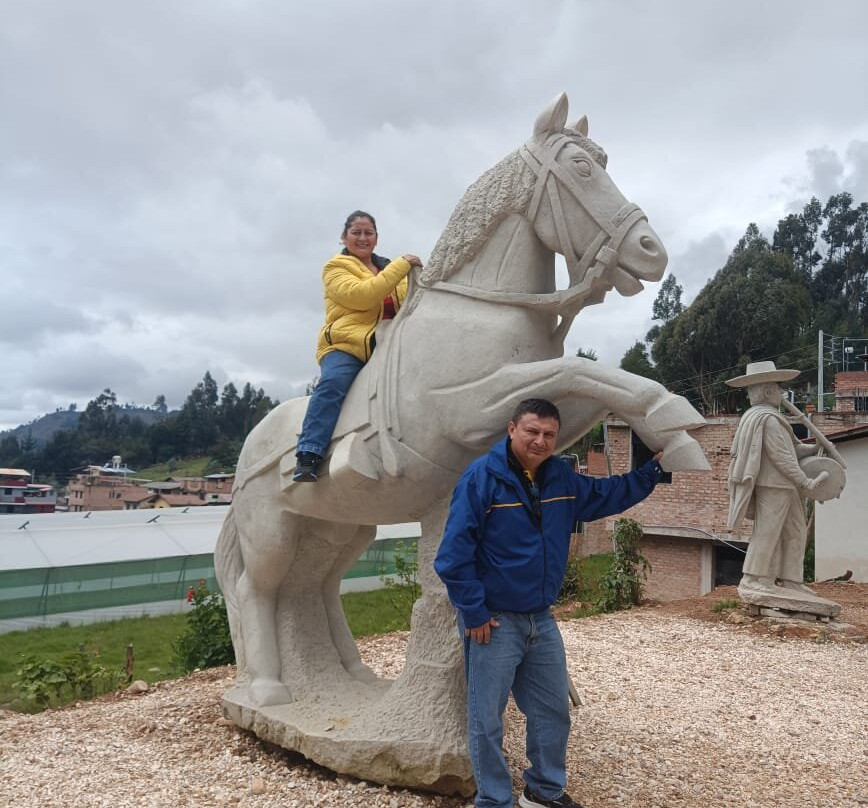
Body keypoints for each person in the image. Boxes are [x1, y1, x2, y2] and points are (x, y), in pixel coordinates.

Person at [434, 398, 665, 808]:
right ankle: (494, 800)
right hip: (493, 621)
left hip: (540, 619)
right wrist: (473, 610)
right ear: (511, 429)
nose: (540, 441)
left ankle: (543, 790)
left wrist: (653, 472)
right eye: (532, 431)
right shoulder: (481, 478)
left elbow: (606, 494)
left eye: (549, 435)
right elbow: (452, 555)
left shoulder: (561, 476)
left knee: (552, 710)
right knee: (486, 720)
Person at [293, 211, 422, 482]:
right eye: (356, 232)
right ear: (344, 237)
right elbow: (364, 297)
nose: (363, 238)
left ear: (376, 239)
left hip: (390, 344)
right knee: (333, 383)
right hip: (348, 345)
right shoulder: (336, 267)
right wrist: (402, 265)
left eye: (368, 233)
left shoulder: (391, 269)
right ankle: (309, 452)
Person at [725, 361, 827, 599]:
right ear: (769, 391)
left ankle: (791, 580)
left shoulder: (772, 418)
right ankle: (753, 578)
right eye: (780, 388)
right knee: (767, 532)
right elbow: (782, 457)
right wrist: (805, 481)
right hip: (772, 485)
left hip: (786, 485)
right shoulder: (766, 419)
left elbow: (792, 450)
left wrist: (813, 449)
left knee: (795, 531)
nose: (783, 393)